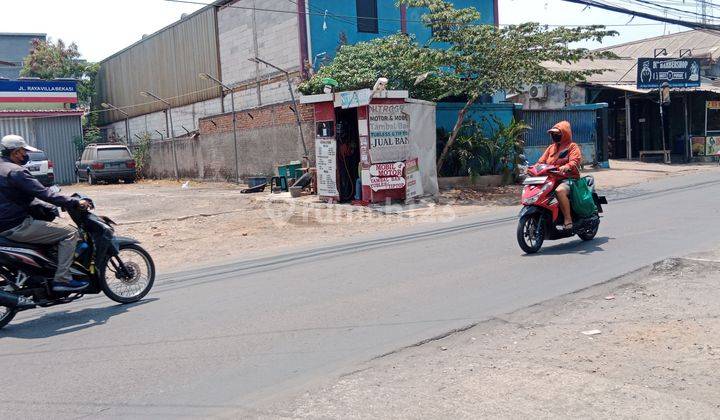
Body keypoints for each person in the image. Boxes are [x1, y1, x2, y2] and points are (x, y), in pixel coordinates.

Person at [0, 134, 90, 293]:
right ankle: (62, 279)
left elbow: (18, 196)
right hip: (16, 225)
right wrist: (74, 202)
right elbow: (45, 193)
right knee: (70, 233)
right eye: (22, 152)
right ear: (14, 153)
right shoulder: (16, 172)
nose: (25, 155)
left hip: (5, 223)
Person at [537, 121, 582, 230]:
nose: (554, 136)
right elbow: (541, 162)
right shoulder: (551, 148)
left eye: (557, 134)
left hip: (569, 179)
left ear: (565, 133)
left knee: (559, 191)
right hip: (551, 179)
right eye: (552, 134)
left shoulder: (572, 146)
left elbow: (575, 161)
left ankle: (568, 219)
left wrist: (567, 166)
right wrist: (533, 168)